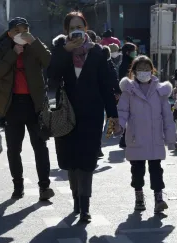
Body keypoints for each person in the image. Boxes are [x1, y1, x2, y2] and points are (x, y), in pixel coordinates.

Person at [48, 11, 120, 222]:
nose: (76, 30)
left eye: (80, 26)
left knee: (87, 160)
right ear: (66, 31)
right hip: (66, 113)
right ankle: (76, 200)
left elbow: (107, 87)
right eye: (71, 28)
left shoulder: (98, 52)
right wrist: (64, 52)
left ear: (86, 28)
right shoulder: (60, 50)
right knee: (71, 160)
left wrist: (113, 116)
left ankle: (85, 206)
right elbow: (51, 79)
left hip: (92, 113)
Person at [0, 17, 54, 201]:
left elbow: (49, 60)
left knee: (40, 147)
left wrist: (34, 42)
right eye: (17, 31)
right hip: (12, 105)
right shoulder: (3, 49)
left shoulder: (34, 46)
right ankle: (18, 186)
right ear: (9, 33)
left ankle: (44, 187)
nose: (21, 34)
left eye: (24, 30)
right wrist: (12, 54)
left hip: (35, 105)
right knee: (13, 149)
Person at [117, 55, 176, 214]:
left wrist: (170, 137)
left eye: (146, 69)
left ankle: (159, 199)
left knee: (156, 169)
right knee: (137, 171)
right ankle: (139, 197)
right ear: (134, 72)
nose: (144, 72)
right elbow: (122, 111)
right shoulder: (128, 91)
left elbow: (167, 116)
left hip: (155, 138)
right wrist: (119, 126)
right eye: (140, 69)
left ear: (152, 70)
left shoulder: (160, 91)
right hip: (135, 138)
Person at [118, 42, 137, 149]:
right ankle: (124, 139)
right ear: (127, 52)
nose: (135, 53)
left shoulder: (130, 62)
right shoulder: (126, 65)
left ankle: (125, 139)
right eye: (133, 51)